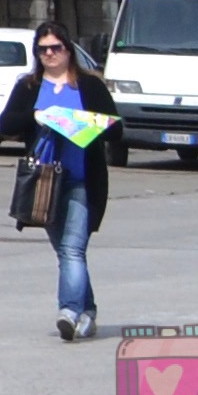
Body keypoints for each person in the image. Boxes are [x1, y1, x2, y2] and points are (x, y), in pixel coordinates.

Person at [19, 19, 119, 338]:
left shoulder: (89, 86)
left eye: (56, 48)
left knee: (73, 250)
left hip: (81, 180)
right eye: (43, 49)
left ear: (68, 49)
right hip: (45, 183)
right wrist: (35, 116)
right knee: (65, 251)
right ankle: (87, 311)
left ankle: (69, 310)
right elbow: (5, 123)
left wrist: (80, 123)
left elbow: (116, 130)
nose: (49, 54)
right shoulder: (30, 87)